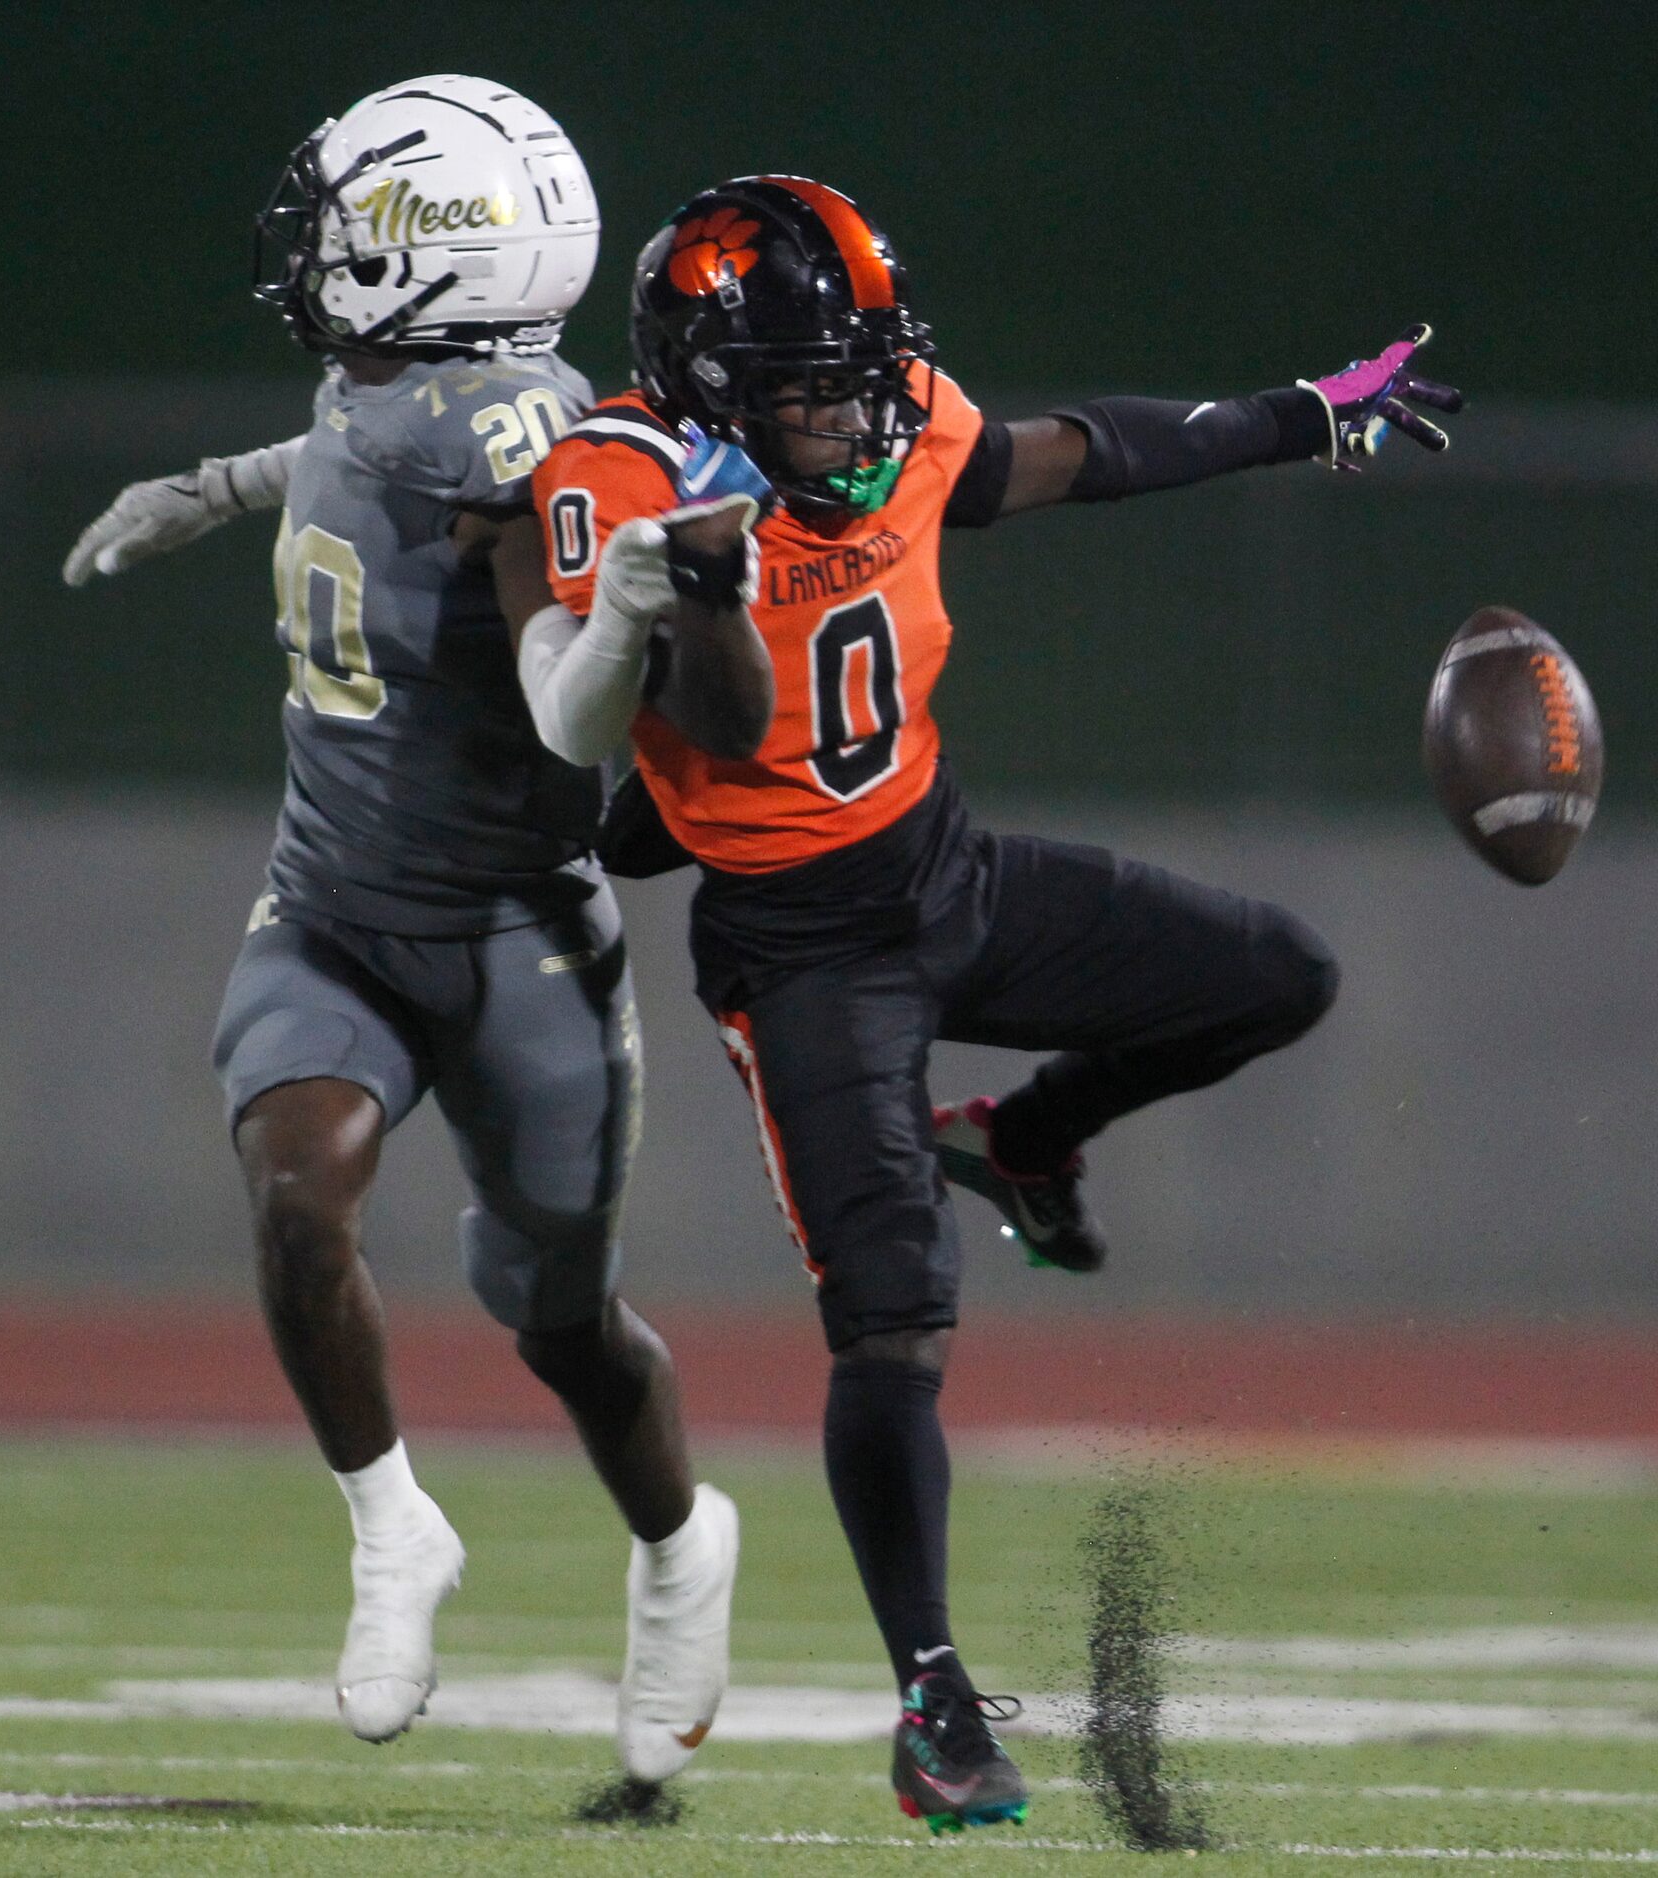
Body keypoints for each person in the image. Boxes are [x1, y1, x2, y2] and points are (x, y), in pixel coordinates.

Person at [520, 173, 1464, 1832]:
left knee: (1277, 973)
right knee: (892, 1314)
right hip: (801, 950)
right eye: (809, 383)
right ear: (705, 375)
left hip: (944, 875)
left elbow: (1072, 454)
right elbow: (723, 737)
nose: (855, 407)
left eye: (860, 368)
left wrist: (1300, 418)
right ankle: (936, 1699)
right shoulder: (622, 478)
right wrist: (712, 587)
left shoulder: (888, 429)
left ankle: (1025, 1133)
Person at [60, 76, 749, 1783]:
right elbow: (357, 445)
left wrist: (621, 635)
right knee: (301, 1200)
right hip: (335, 912)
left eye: (352, 222)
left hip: (517, 931)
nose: (317, 246)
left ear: (441, 263)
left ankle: (679, 1542)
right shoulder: (401, 381)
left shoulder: (523, 433)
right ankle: (392, 1528)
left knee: (568, 1328)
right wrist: (224, 481)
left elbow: (565, 701)